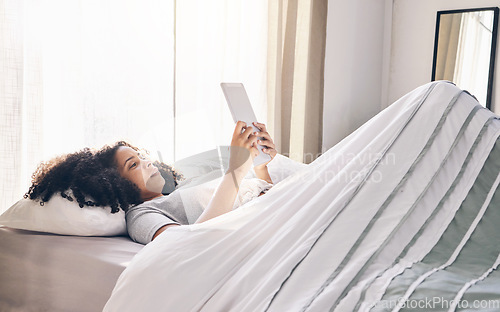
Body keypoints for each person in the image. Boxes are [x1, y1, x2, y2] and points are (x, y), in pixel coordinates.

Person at [25, 121, 277, 243]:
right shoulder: (142, 215)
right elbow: (187, 244)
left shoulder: (182, 190)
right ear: (114, 183)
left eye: (143, 157)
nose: (147, 162)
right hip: (275, 217)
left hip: (281, 201)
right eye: (133, 164)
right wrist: (235, 171)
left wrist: (262, 167)